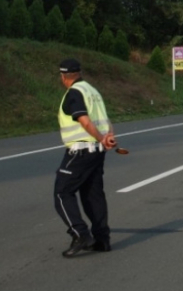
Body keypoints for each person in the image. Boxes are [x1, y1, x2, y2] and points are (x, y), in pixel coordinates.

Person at [54, 58, 116, 257]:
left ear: (63, 76)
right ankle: (102, 240)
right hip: (97, 151)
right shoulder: (93, 91)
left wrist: (100, 137)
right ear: (79, 72)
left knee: (62, 193)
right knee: (93, 194)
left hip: (80, 151)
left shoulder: (74, 93)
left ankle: (80, 234)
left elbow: (83, 119)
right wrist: (108, 138)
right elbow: (106, 119)